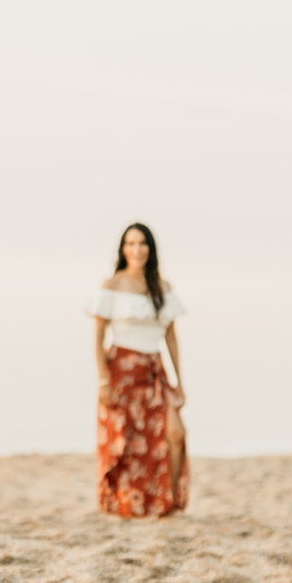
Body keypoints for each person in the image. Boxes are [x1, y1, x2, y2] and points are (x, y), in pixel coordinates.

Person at [87, 222, 188, 518]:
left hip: (154, 370)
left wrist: (179, 380)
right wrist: (103, 380)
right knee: (126, 442)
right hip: (120, 370)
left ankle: (167, 503)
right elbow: (98, 338)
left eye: (142, 243)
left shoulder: (162, 286)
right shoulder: (112, 285)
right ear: (123, 249)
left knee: (174, 434)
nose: (136, 250)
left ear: (150, 249)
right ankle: (126, 504)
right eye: (130, 244)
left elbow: (170, 335)